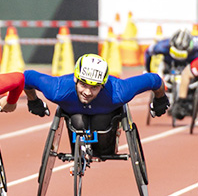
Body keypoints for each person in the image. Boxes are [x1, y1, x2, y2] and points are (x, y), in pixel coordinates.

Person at [18, 54, 169, 156]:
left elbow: (154, 80)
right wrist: (33, 100)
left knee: (102, 128)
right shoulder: (57, 89)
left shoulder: (119, 91)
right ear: (76, 79)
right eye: (83, 85)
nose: (88, 92)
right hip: (74, 113)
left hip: (106, 114)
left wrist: (160, 99)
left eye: (94, 87)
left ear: (103, 85)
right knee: (77, 121)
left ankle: (109, 141)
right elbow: (27, 77)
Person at [144, 28, 197, 119]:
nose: (179, 57)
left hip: (189, 64)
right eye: (176, 53)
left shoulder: (196, 46)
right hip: (169, 65)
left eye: (181, 54)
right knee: (161, 68)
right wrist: (148, 70)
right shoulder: (162, 46)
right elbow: (148, 53)